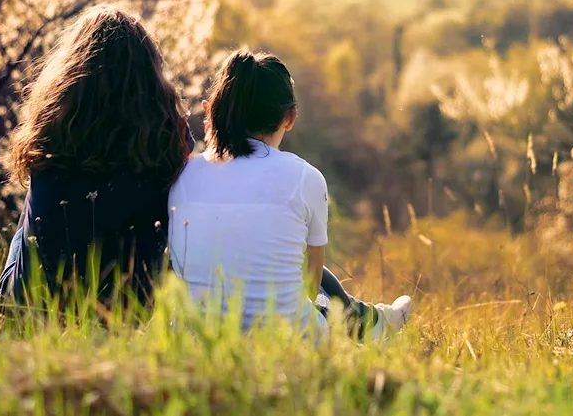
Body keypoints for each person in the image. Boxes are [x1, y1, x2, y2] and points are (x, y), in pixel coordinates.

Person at [168, 50, 412, 341]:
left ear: (214, 111)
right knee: (307, 280)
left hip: (197, 339)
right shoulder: (305, 178)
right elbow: (311, 285)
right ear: (290, 117)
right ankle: (372, 325)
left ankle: (371, 322)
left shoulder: (183, 175)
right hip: (292, 342)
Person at [0, 5, 192, 314]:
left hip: (30, 309)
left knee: (27, 224)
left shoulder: (49, 123)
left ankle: (12, 298)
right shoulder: (168, 130)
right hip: (126, 310)